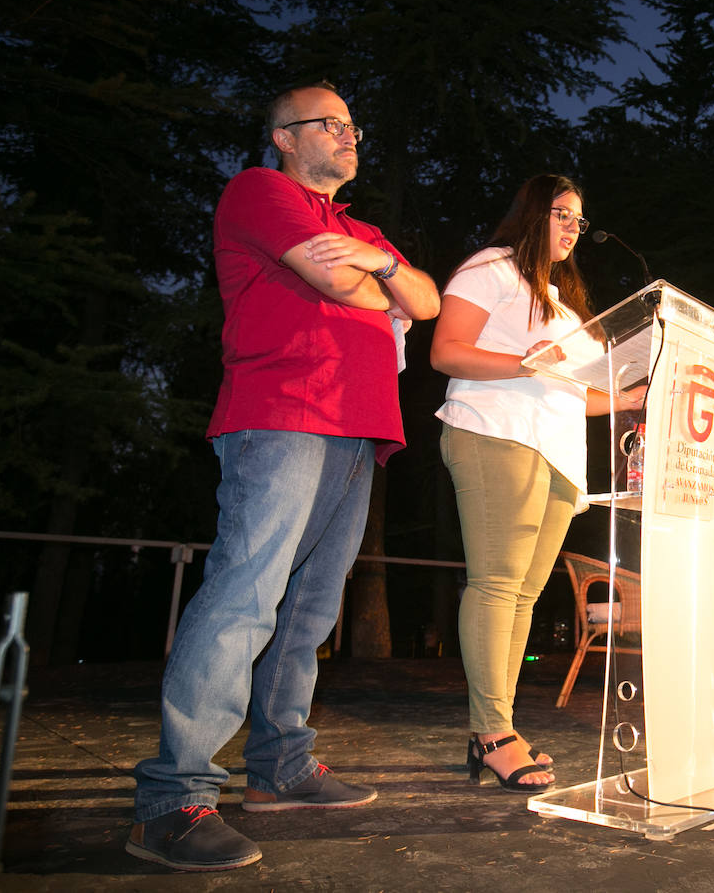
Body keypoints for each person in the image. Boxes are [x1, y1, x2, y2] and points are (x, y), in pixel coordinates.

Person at [128, 81, 440, 871]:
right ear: (284, 138)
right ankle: (173, 799)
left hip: (360, 428)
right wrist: (383, 283)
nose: (349, 135)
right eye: (329, 124)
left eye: (353, 125)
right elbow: (339, 284)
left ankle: (279, 767)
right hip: (283, 411)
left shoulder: (360, 228)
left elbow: (428, 302)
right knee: (246, 593)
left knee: (309, 611)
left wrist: (379, 261)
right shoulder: (260, 192)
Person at [431, 174, 642, 792]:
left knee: (523, 596)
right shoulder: (491, 268)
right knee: (497, 585)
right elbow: (446, 350)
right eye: (562, 214)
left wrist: (632, 396)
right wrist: (522, 363)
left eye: (580, 218)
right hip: (496, 433)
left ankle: (494, 730)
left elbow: (575, 395)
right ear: (530, 214)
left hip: (555, 452)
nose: (574, 228)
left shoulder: (564, 302)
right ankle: (493, 732)